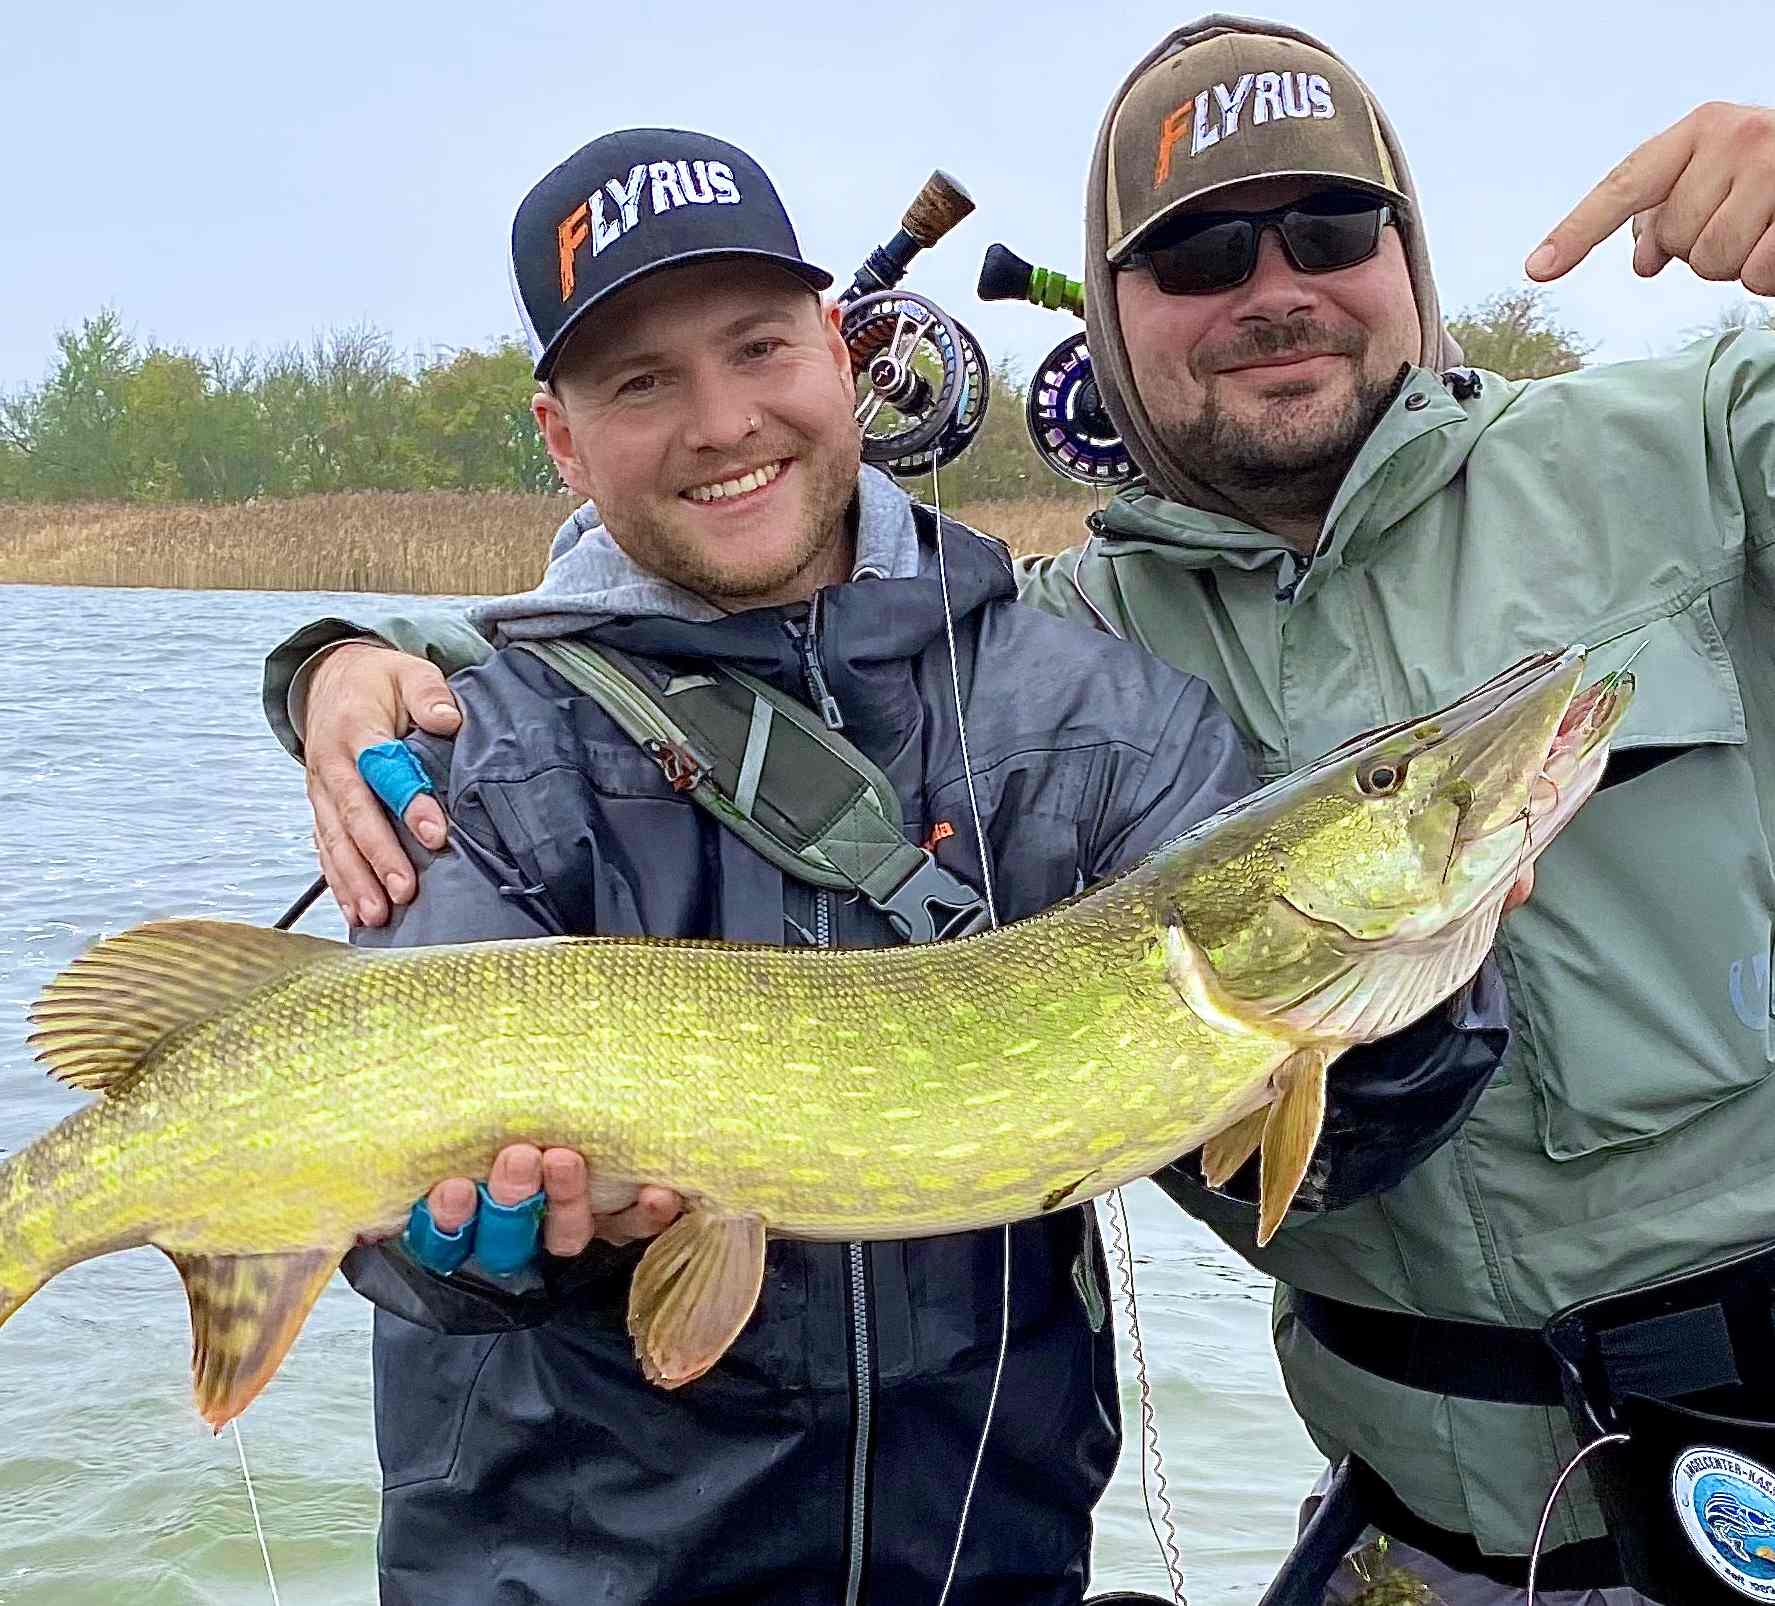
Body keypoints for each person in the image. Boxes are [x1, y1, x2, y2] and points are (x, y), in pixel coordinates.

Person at [280, 22, 1775, 1606]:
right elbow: (376, 1139)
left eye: (1328, 227)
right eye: (1199, 251)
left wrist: (1389, 1004)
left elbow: (1319, 1147)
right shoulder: (504, 741)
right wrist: (333, 662)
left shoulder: (1066, 689)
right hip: (1406, 1526)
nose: (1274, 285)